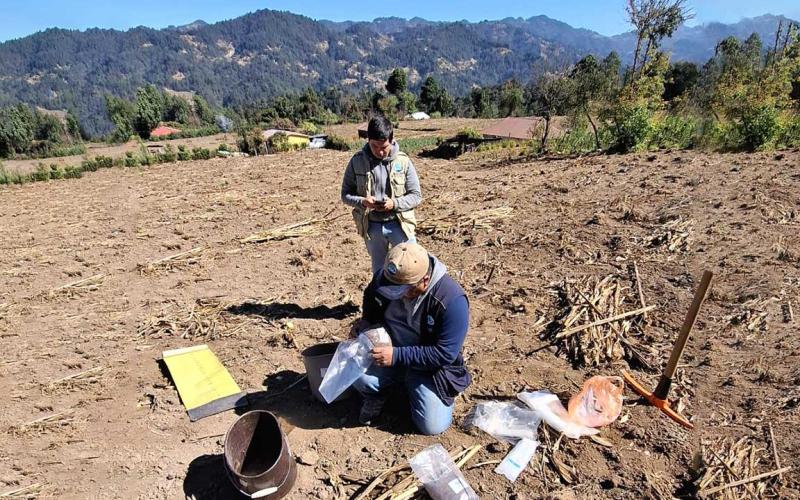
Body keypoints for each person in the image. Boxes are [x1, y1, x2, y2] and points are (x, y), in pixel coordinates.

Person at [351, 242, 471, 435]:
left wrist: (397, 356)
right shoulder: (388, 277)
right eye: (392, 289)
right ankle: (384, 391)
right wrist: (366, 325)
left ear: (424, 280)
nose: (397, 295)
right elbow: (371, 299)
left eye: (403, 290)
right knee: (355, 376)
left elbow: (445, 353)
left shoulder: (451, 300)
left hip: (428, 367)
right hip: (389, 349)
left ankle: (409, 383)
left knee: (432, 426)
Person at [341, 116, 422, 274]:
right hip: (372, 227)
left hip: (400, 224)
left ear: (392, 140)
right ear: (368, 140)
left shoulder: (403, 162)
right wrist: (363, 202)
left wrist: (394, 204)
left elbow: (416, 195)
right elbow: (345, 194)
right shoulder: (356, 162)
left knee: (411, 268)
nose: (379, 151)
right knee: (379, 272)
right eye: (374, 146)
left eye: (384, 147)